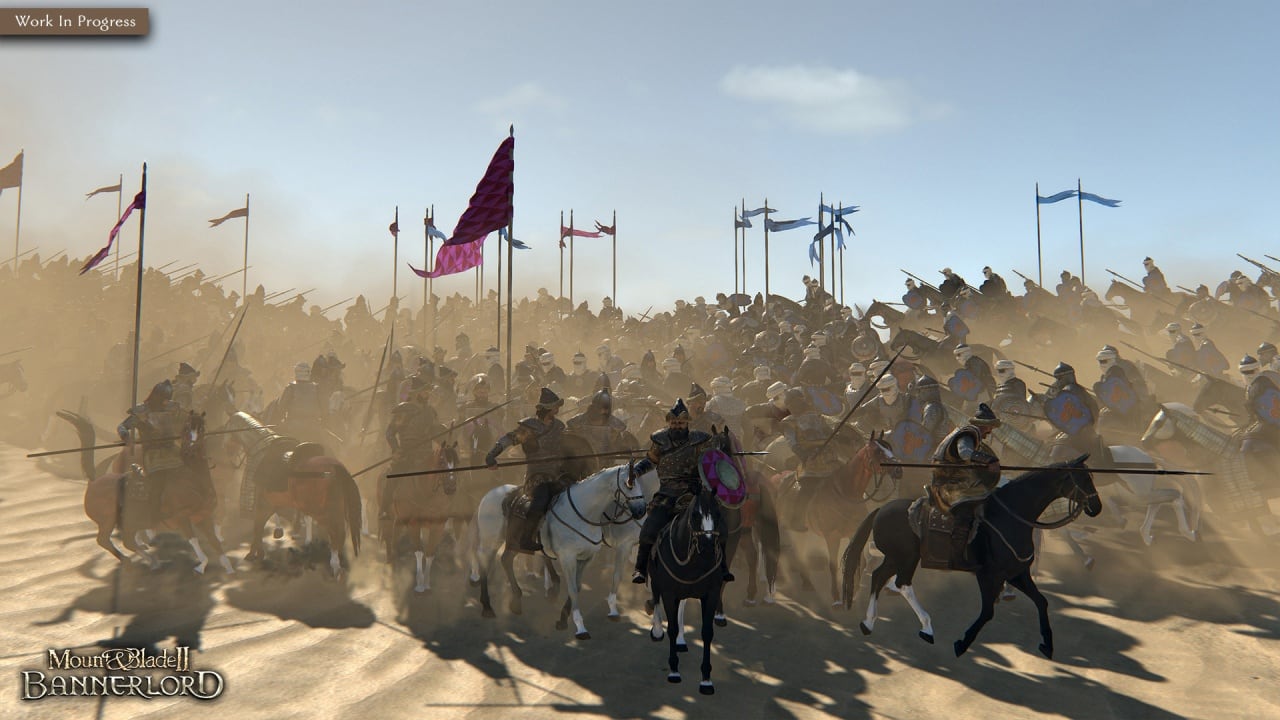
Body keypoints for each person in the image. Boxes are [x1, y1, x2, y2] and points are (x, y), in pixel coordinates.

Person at [630, 399, 732, 584]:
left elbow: (711, 460)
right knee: (649, 529)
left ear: (687, 423)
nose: (677, 426)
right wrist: (636, 471)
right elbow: (651, 461)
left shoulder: (700, 440)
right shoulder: (660, 440)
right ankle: (640, 569)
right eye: (674, 422)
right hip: (666, 494)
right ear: (669, 422)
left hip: (693, 493)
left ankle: (723, 566)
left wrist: (721, 444)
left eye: (681, 423)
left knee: (719, 526)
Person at [485, 388, 567, 552]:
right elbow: (509, 439)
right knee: (542, 495)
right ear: (546, 408)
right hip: (537, 476)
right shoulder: (530, 427)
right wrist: (492, 455)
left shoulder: (559, 426)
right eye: (554, 406)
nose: (557, 409)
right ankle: (526, 537)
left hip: (558, 474)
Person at [930, 404, 1003, 570]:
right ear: (984, 424)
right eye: (990, 427)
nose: (990, 431)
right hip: (948, 485)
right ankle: (956, 558)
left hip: (960, 482)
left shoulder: (971, 435)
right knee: (966, 511)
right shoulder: (968, 434)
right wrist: (989, 460)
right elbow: (964, 453)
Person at [117, 380, 186, 522]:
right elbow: (122, 427)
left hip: (172, 450)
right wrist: (126, 437)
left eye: (168, 399)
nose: (166, 402)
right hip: (153, 454)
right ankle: (155, 513)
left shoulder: (172, 408)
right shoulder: (142, 412)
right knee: (159, 481)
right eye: (164, 399)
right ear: (157, 397)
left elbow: (185, 420)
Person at [779, 388, 847, 530]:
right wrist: (804, 456)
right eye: (792, 403)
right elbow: (793, 443)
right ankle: (797, 519)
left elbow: (827, 432)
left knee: (849, 477)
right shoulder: (789, 423)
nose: (796, 405)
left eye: (798, 401)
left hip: (830, 457)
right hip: (810, 461)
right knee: (807, 488)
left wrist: (836, 435)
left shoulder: (817, 416)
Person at [380, 375, 443, 520]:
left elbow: (436, 432)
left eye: (428, 392)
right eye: (424, 392)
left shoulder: (431, 411)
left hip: (427, 454)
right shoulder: (404, 411)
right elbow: (390, 433)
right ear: (415, 393)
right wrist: (396, 449)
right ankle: (384, 509)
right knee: (393, 477)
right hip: (407, 455)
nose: (427, 394)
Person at [278, 361, 324, 442]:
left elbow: (281, 407)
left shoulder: (290, 387)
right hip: (314, 426)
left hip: (293, 427)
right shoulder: (317, 387)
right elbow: (324, 407)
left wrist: (281, 420)